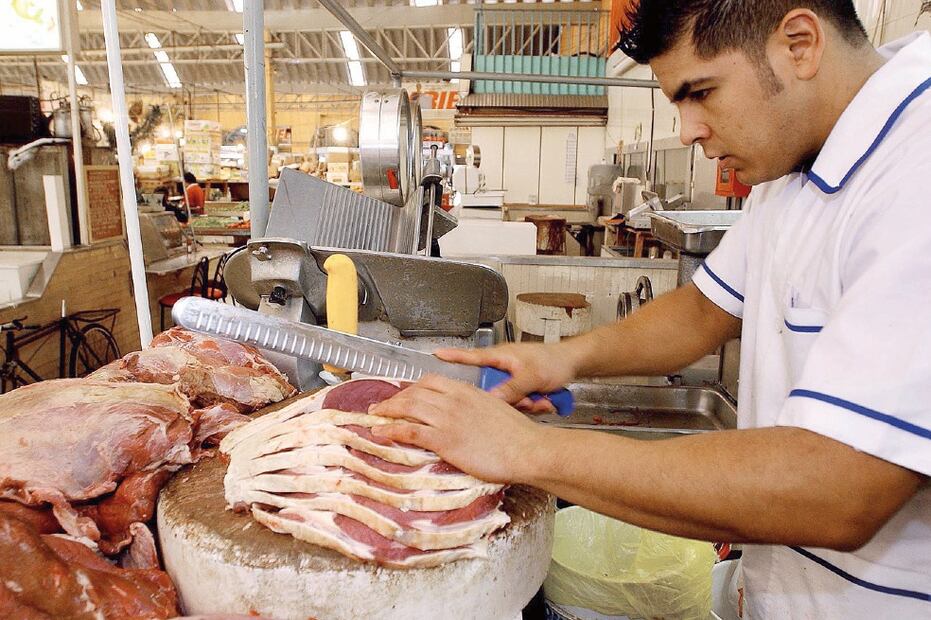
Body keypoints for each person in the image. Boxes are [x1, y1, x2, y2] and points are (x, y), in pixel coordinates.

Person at [369, 2, 931, 617]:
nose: (688, 130)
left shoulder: (914, 169)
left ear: (799, 44)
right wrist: (562, 359)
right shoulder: (794, 158)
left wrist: (525, 450)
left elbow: (838, 488)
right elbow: (704, 309)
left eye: (702, 92)